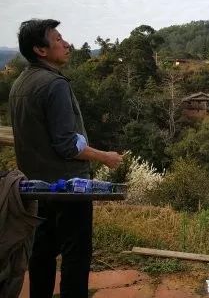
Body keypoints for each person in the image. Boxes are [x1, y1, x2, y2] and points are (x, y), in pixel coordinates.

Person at [9, 19, 123, 298]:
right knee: (75, 257)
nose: (66, 43)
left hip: (36, 188)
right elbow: (67, 145)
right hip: (69, 189)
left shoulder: (19, 84)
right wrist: (105, 157)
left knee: (42, 255)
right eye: (58, 39)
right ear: (41, 49)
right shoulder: (55, 85)